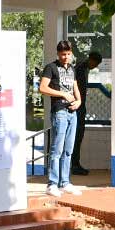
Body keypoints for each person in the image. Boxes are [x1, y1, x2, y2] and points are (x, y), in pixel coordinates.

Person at [38, 40, 82, 197]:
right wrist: (62, 94)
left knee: (69, 149)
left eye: (68, 54)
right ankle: (52, 184)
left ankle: (65, 182)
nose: (66, 57)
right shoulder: (51, 68)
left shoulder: (72, 69)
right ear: (58, 54)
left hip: (72, 113)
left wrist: (79, 101)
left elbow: (75, 87)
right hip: (59, 112)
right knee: (57, 149)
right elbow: (42, 88)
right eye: (63, 54)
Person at [70, 50, 100, 176]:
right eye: (96, 63)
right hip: (78, 106)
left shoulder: (82, 68)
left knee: (78, 136)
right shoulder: (80, 68)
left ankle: (75, 164)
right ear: (91, 59)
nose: (96, 66)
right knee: (76, 136)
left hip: (80, 105)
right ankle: (74, 165)